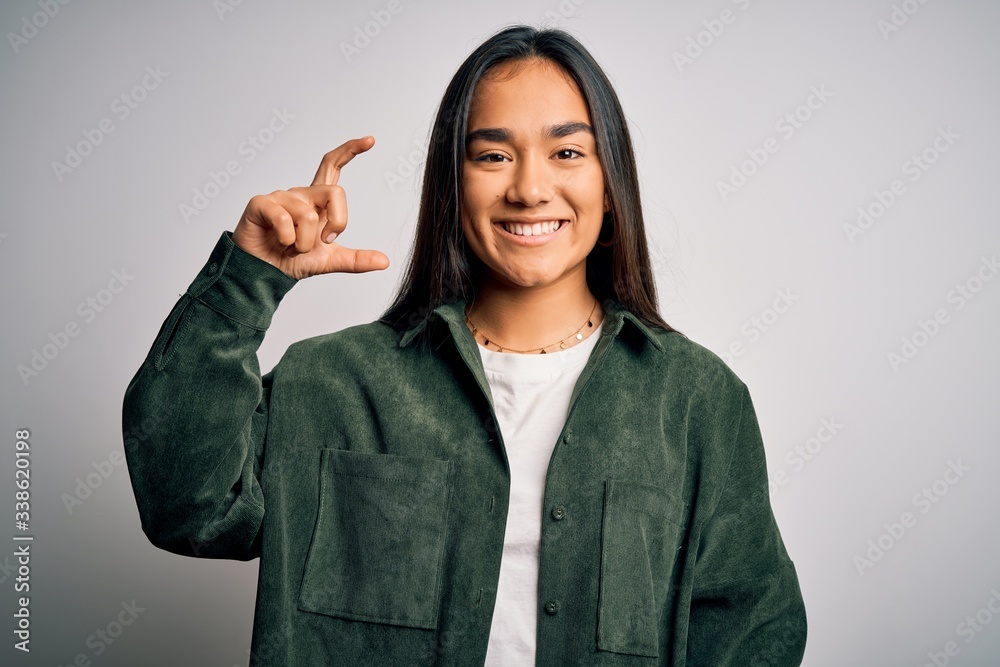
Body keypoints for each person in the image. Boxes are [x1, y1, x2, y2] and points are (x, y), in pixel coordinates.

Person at [122, 24, 806, 666]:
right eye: (493, 155)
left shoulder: (697, 401)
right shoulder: (330, 381)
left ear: (610, 186)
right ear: (454, 183)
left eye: (567, 151)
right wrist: (247, 280)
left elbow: (751, 629)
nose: (530, 188)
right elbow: (188, 506)